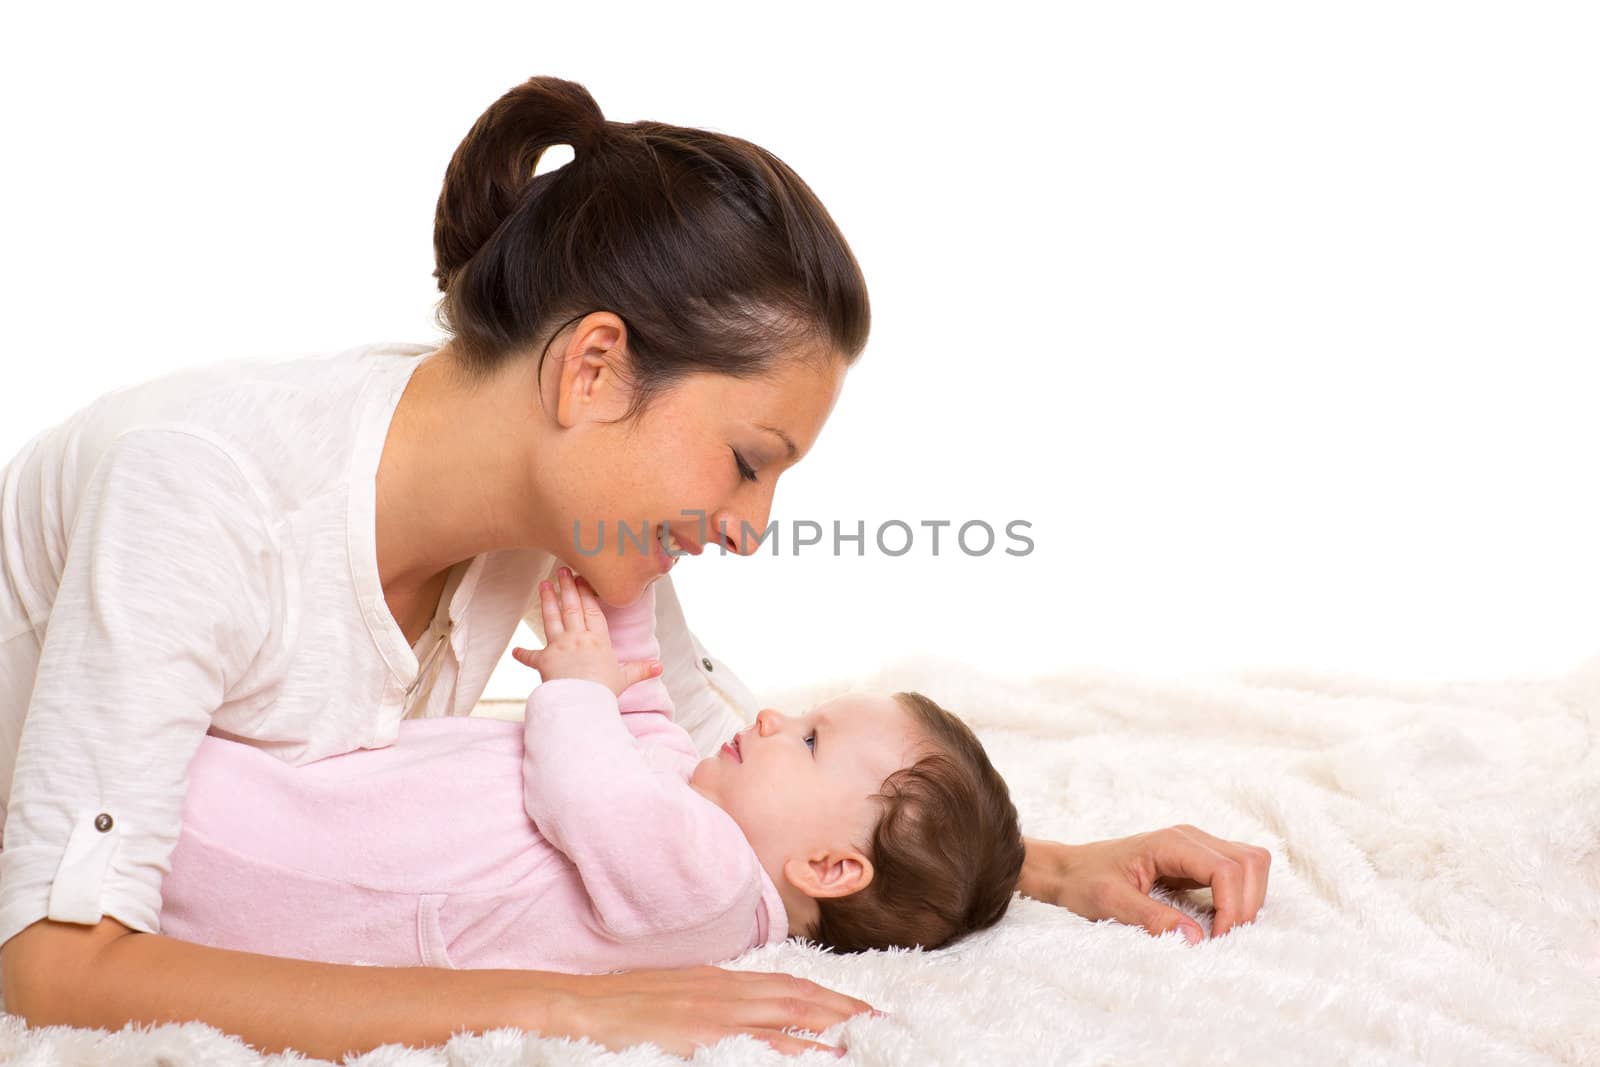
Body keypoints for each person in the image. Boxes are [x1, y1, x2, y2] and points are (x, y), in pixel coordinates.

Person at [0, 75, 1271, 1060]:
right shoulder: (203, 492)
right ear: (594, 368)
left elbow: (715, 782)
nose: (751, 525)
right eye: (745, 459)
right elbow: (55, 965)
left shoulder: (576, 518)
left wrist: (1046, 868)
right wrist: (567, 1005)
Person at [157, 567, 1026, 976]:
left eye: (805, 741)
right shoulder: (693, 817)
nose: (769, 717)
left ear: (828, 869)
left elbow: (590, 790)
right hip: (324, 803)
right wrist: (624, 572)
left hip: (303, 870)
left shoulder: (714, 894)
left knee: (157, 788)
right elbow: (642, 707)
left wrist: (577, 681)